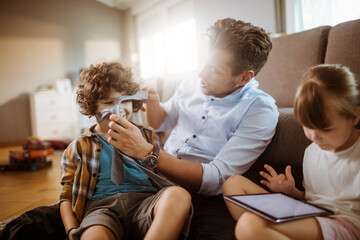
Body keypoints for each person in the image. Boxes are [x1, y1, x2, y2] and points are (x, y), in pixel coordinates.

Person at [107, 18, 279, 239]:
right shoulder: (191, 84)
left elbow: (216, 179)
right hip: (155, 179)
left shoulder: (260, 111)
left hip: (203, 197)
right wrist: (155, 103)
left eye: (214, 70)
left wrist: (148, 153)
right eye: (203, 63)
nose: (201, 74)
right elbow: (162, 122)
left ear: (244, 77)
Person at [222, 64, 360, 240]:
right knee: (232, 184)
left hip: (346, 225)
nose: (315, 137)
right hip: (313, 216)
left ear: (354, 116)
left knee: (249, 224)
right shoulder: (312, 151)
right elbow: (313, 200)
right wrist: (292, 192)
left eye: (326, 130)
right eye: (308, 127)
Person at [59, 61, 192, 240]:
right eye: (109, 102)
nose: (119, 109)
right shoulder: (78, 147)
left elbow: (163, 173)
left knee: (178, 195)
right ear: (92, 106)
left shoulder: (146, 136)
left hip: (145, 203)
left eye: (125, 100)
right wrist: (71, 230)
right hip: (101, 211)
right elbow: (66, 195)